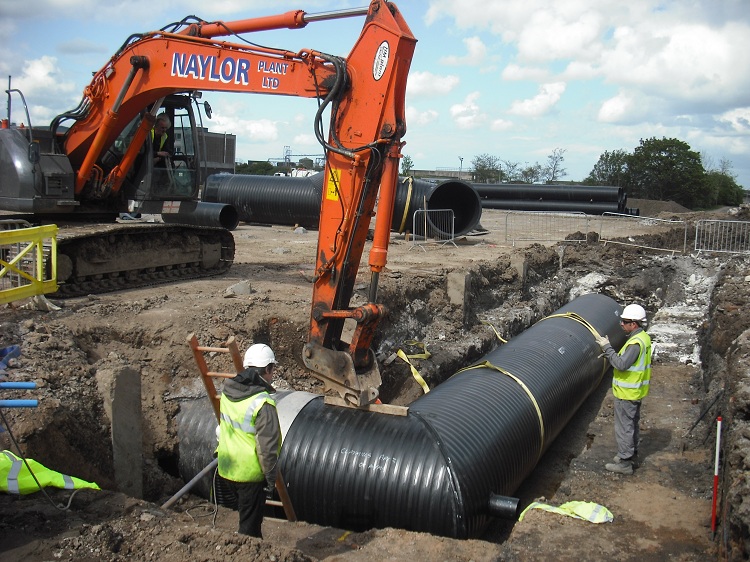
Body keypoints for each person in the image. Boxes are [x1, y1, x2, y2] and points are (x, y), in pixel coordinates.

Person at [216, 343, 282, 537]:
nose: (272, 375)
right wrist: (270, 479)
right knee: (249, 532)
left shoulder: (228, 392)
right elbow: (267, 448)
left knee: (246, 520)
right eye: (272, 370)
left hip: (226, 468)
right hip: (249, 476)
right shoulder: (263, 403)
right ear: (268, 369)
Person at [595, 303, 652, 475]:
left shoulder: (635, 343)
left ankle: (625, 462)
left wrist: (607, 347)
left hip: (627, 394)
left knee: (625, 427)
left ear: (633, 324)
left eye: (624, 322)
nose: (621, 324)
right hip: (635, 392)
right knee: (632, 424)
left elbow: (621, 364)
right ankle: (630, 455)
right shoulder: (643, 337)